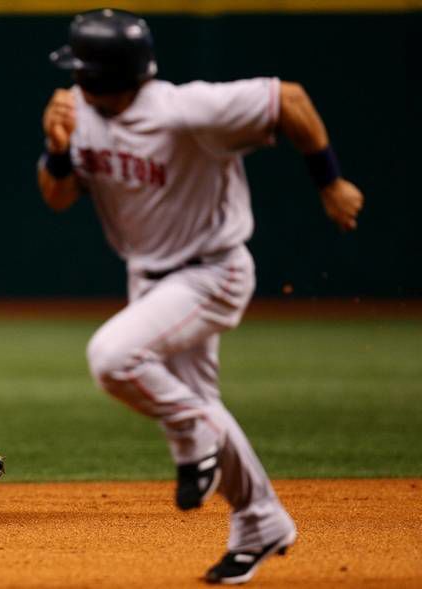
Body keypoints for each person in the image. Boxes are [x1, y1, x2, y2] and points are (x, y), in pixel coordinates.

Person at [39, 9, 363, 585]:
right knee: (196, 396)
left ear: (107, 75)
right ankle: (260, 520)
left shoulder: (183, 110)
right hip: (149, 277)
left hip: (212, 272)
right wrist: (58, 149)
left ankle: (197, 441)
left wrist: (330, 180)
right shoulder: (76, 112)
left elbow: (290, 100)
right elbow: (57, 198)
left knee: (112, 358)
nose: (74, 79)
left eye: (82, 69)